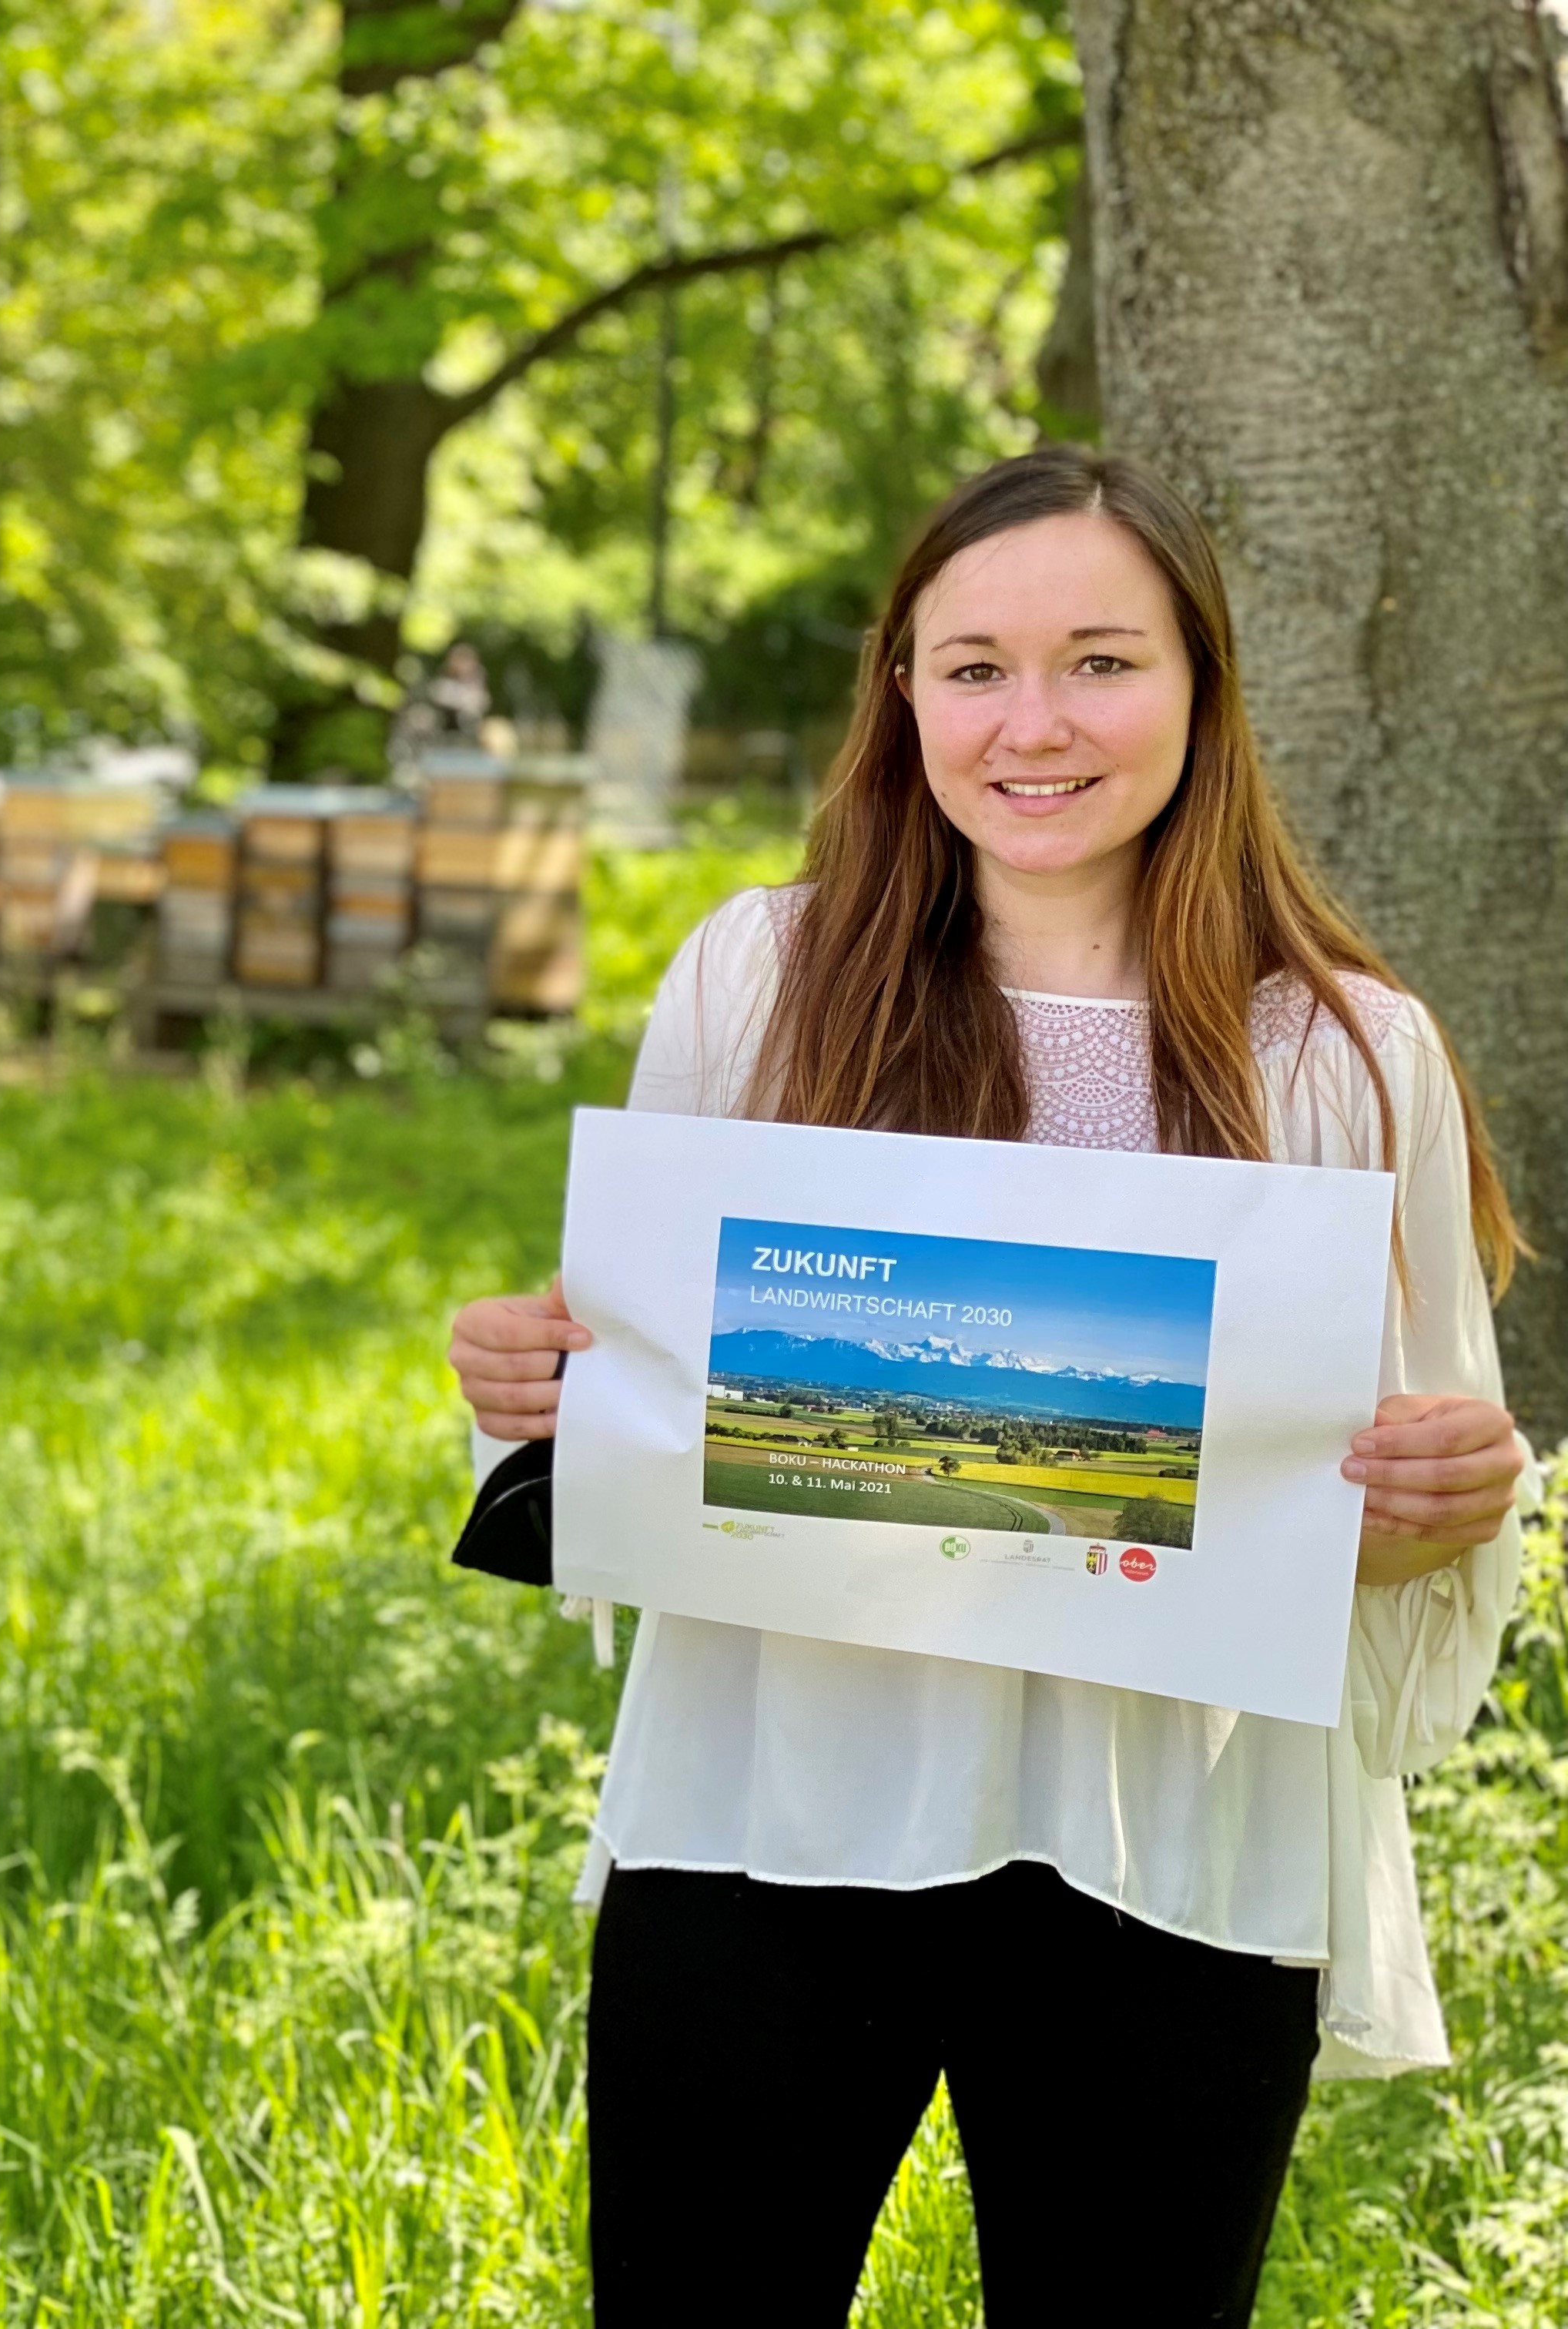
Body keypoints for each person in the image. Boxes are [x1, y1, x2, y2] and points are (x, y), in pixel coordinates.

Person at [447, 447, 1530, 2325]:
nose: (1035, 724)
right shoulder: (759, 979)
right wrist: (537, 1385)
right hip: (776, 1805)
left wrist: (1440, 1502)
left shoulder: (1348, 1053)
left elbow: (1381, 1513)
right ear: (904, 692)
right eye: (975, 669)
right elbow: (652, 1400)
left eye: (1102, 662)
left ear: (1202, 686)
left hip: (1172, 1848)